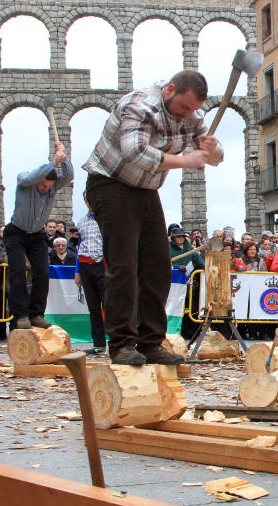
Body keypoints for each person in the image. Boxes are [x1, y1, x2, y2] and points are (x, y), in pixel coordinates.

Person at [84, 70, 223, 365]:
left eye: (193, 109)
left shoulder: (192, 115)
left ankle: (150, 343)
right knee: (124, 265)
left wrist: (213, 150)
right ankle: (122, 344)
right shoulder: (140, 105)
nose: (187, 114)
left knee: (158, 267)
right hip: (110, 183)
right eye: (183, 107)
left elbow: (215, 157)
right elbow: (134, 152)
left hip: (145, 189)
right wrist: (185, 160)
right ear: (170, 90)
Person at [6, 142, 74, 330]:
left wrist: (63, 157)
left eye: (48, 186)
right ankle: (20, 315)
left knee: (43, 272)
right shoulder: (25, 180)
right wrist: (54, 162)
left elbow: (69, 176)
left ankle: (36, 314)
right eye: (42, 185)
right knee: (18, 271)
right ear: (38, 179)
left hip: (36, 236)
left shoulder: (53, 186)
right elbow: (30, 178)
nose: (45, 189)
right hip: (16, 233)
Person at [75, 201, 107, 355]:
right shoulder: (81, 222)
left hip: (103, 265)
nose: (90, 203)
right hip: (85, 265)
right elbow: (79, 246)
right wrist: (77, 271)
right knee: (93, 307)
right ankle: (98, 344)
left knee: (110, 305)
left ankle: (118, 343)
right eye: (87, 200)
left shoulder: (107, 219)